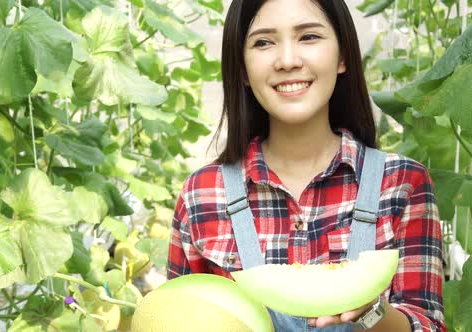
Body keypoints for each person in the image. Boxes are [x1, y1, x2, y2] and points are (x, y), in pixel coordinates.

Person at [167, 0, 446, 331]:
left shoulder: (402, 183)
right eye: (263, 42)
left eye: (309, 37)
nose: (287, 61)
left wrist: (372, 312)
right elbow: (174, 316)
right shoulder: (201, 195)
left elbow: (427, 324)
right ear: (242, 68)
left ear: (342, 55)